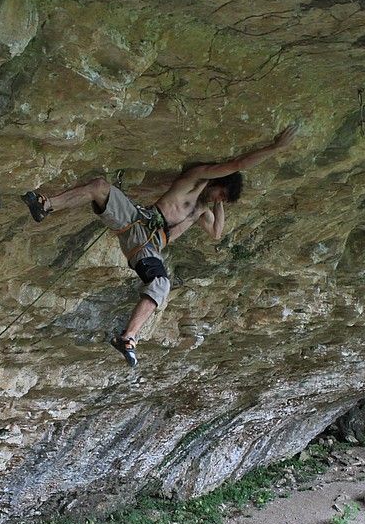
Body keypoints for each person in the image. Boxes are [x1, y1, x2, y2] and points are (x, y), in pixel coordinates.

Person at [22, 124, 298, 367]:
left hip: (149, 244)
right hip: (139, 221)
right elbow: (237, 164)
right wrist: (274, 148)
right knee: (99, 186)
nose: (220, 199)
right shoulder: (195, 178)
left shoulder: (199, 209)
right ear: (218, 181)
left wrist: (217, 202)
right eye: (222, 193)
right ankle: (45, 204)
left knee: (161, 283)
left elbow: (216, 233)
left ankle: (128, 337)